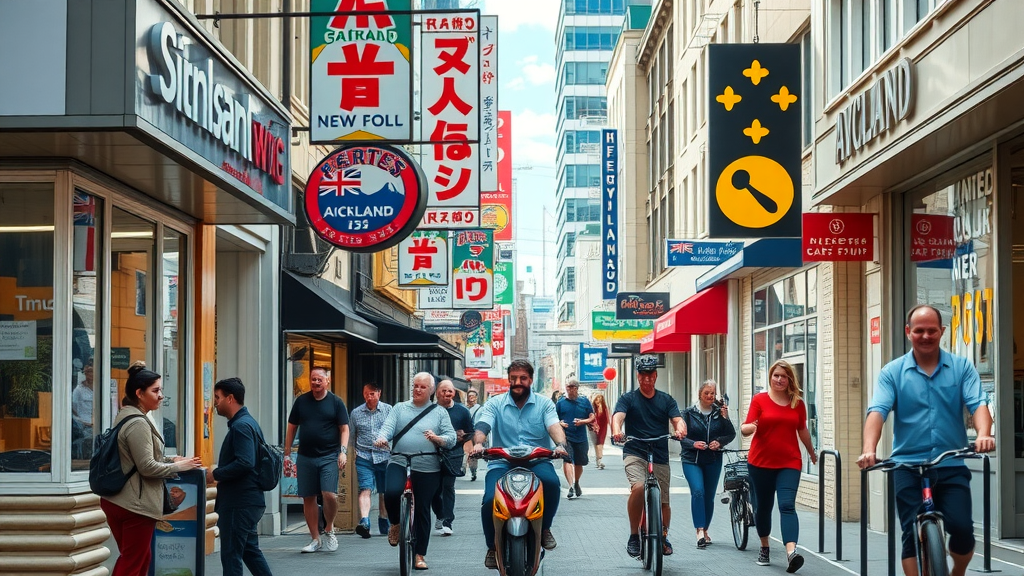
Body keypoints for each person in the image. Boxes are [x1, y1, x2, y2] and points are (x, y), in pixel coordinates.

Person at [857, 304, 995, 576]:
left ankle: (957, 571)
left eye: (932, 330)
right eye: (919, 330)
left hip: (951, 463)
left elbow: (978, 404)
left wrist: (983, 434)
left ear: (942, 331)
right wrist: (868, 450)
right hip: (906, 467)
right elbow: (878, 411)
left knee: (963, 529)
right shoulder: (892, 372)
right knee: (910, 533)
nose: (925, 336)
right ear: (908, 332)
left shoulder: (961, 367)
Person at [98, 363, 202, 576]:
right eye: (155, 390)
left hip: (119, 500)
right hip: (135, 504)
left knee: (140, 558)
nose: (161, 395)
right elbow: (146, 467)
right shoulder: (138, 423)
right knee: (133, 561)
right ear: (139, 393)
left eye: (160, 389)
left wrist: (170, 458)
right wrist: (178, 466)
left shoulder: (125, 416)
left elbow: (136, 459)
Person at [472, 359, 569, 569]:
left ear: (531, 380)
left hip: (537, 461)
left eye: (523, 378)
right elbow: (483, 424)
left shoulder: (544, 403)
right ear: (508, 379)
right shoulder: (494, 403)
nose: (518, 382)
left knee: (552, 483)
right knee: (490, 500)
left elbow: (553, 425)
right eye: (513, 378)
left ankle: (544, 529)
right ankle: (492, 547)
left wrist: (560, 445)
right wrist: (479, 444)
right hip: (501, 463)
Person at [374, 372, 456, 571]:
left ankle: (420, 554)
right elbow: (387, 427)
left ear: (431, 391)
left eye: (422, 387)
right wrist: (382, 438)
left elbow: (451, 437)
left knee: (422, 510)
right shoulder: (400, 408)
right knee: (392, 492)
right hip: (399, 460)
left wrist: (438, 439)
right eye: (415, 386)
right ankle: (395, 523)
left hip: (428, 466)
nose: (417, 389)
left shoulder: (439, 412)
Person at [741, 359, 817, 572]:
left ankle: (791, 552)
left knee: (787, 505)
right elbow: (747, 426)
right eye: (776, 375)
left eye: (784, 376)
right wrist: (747, 428)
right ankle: (764, 546)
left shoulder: (797, 403)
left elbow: (802, 430)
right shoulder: (760, 400)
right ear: (770, 377)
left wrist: (811, 452)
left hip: (789, 462)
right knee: (763, 508)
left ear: (790, 379)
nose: (780, 379)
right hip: (760, 463)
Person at [611, 354, 687, 559]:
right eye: (642, 376)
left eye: (650, 375)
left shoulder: (666, 400)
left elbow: (678, 419)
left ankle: (663, 536)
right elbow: (617, 417)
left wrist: (680, 429)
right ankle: (634, 535)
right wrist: (617, 430)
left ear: (655, 376)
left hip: (660, 454)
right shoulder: (628, 399)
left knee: (663, 502)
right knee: (638, 487)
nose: (646, 379)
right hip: (635, 451)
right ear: (638, 376)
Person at [207, 377, 272, 576]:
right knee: (250, 551)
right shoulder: (246, 423)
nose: (215, 402)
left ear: (230, 398)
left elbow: (245, 462)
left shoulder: (241, 426)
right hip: (247, 500)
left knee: (231, 555)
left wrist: (215, 474)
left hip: (239, 502)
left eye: (217, 397)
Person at [283, 367, 350, 554]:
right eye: (313, 379)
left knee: (330, 494)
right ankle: (315, 538)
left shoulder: (336, 402)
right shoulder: (301, 401)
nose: (315, 382)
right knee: (308, 497)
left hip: (329, 455)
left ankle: (329, 528)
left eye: (319, 379)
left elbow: (344, 429)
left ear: (327, 381)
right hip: (305, 456)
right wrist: (287, 454)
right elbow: (291, 427)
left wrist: (342, 452)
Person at [680, 380, 736, 549]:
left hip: (713, 458)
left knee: (709, 496)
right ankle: (699, 530)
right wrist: (693, 443)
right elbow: (681, 437)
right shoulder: (688, 413)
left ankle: (705, 530)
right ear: (700, 394)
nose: (710, 396)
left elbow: (730, 434)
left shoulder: (719, 412)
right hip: (692, 459)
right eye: (707, 393)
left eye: (713, 393)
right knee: (698, 491)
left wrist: (719, 442)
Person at [350, 381, 392, 538]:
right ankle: (365, 521)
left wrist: (387, 442)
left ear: (379, 394)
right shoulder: (356, 413)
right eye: (366, 394)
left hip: (384, 456)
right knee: (365, 488)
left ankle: (383, 519)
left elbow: (394, 431)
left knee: (384, 491)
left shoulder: (388, 410)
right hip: (363, 456)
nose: (369, 397)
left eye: (372, 394)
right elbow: (352, 435)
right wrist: (351, 452)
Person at [431, 379, 474, 535]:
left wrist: (462, 437)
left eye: (450, 391)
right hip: (433, 453)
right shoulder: (430, 410)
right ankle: (440, 514)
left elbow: (471, 432)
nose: (447, 394)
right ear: (436, 393)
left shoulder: (462, 411)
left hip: (453, 454)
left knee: (448, 486)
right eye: (443, 391)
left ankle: (448, 521)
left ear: (454, 393)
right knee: (434, 489)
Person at [555, 378, 595, 499]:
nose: (570, 390)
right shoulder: (560, 403)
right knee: (567, 460)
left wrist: (583, 421)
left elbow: (592, 416)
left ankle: (576, 482)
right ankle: (570, 486)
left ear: (577, 388)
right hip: (566, 437)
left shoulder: (584, 401)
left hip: (581, 437)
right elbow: (553, 419)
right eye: (568, 387)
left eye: (572, 387)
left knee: (579, 463)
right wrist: (560, 423)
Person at [464, 388, 483, 481]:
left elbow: (480, 422)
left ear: (476, 398)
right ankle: (463, 469)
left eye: (473, 396)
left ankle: (473, 471)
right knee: (465, 452)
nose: (471, 398)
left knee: (473, 454)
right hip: (465, 433)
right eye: (469, 396)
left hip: (474, 434)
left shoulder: (480, 409)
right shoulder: (465, 408)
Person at [590, 393, 610, 469]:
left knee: (600, 443)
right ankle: (598, 461)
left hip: (602, 428)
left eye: (599, 399)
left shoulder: (604, 408)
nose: (598, 401)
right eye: (596, 399)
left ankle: (600, 460)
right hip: (593, 429)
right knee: (596, 444)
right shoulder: (592, 408)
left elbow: (608, 418)